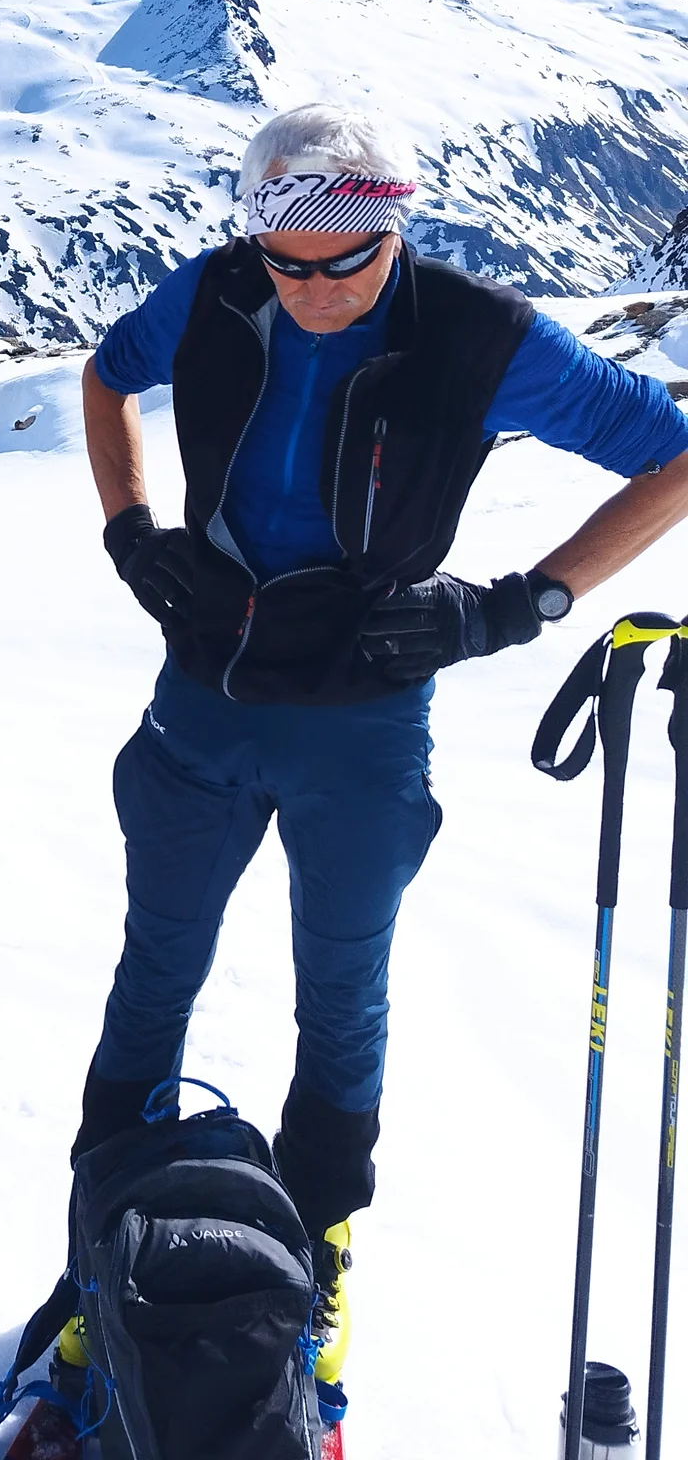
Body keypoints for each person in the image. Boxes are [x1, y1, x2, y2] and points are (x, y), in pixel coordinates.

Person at [69, 101, 688, 1415]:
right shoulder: (221, 294)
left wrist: (521, 603)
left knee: (340, 992)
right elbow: (106, 375)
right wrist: (130, 530)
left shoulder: (474, 338)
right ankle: (95, 1254)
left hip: (363, 718)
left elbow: (677, 455)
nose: (309, 286)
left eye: (344, 257)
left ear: (395, 228)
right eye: (286, 258)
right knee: (156, 965)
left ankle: (318, 1250)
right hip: (208, 692)